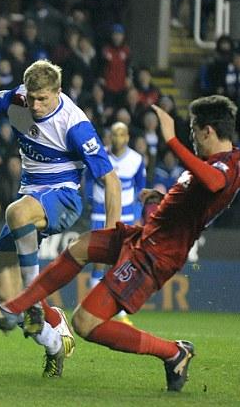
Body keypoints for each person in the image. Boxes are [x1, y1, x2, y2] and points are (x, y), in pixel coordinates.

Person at [0, 95, 240, 391]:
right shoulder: (216, 163)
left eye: (194, 131)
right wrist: (165, 199)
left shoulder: (226, 167)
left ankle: (173, 352)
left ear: (208, 130)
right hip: (143, 235)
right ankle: (14, 309)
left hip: (155, 255)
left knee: (85, 323)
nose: (192, 138)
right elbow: (200, 194)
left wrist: (170, 140)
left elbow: (214, 183)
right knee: (81, 246)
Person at [0, 59, 121, 377]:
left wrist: (112, 236)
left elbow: (110, 180)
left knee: (16, 213)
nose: (35, 105)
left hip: (63, 198)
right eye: (32, 98)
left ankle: (32, 299)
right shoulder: (16, 98)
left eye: (43, 98)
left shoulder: (75, 124)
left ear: (58, 92)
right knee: (2, 294)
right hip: (30, 198)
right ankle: (55, 345)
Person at [87, 121, 146, 326]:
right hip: (100, 214)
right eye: (114, 134)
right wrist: (89, 202)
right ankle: (93, 309)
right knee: (99, 259)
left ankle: (118, 311)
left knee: (122, 261)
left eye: (121, 134)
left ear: (128, 137)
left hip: (126, 217)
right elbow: (88, 181)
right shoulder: (99, 155)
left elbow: (141, 189)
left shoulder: (137, 160)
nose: (118, 138)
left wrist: (139, 214)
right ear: (109, 136)